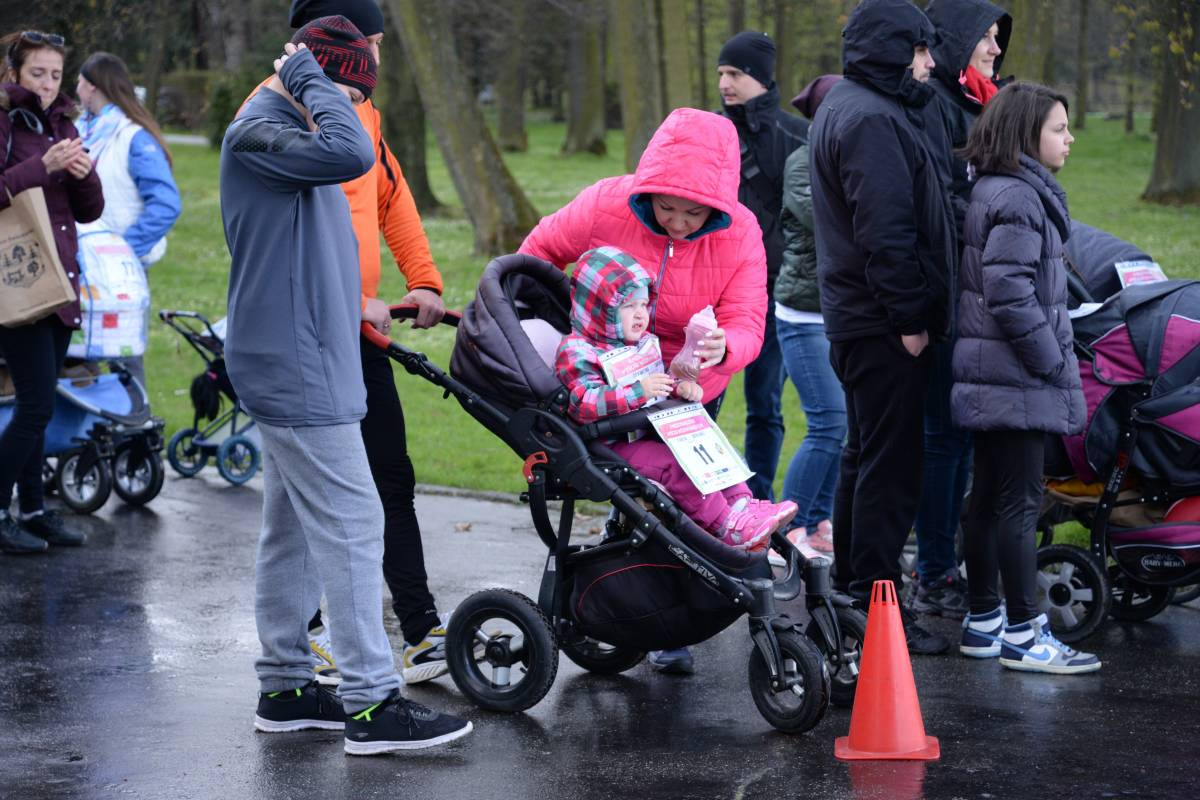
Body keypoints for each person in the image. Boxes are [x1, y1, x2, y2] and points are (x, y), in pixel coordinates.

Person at [220, 18, 472, 752]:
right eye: (349, 89)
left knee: (292, 530)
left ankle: (286, 686)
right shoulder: (263, 128)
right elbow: (349, 150)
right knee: (357, 523)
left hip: (311, 345)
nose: (358, 106)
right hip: (294, 362)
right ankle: (370, 703)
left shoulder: (291, 129)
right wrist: (312, 79)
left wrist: (362, 301)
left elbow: (313, 233)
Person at [520, 106, 768, 675]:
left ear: (719, 207)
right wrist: (570, 328)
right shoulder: (606, 202)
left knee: (684, 487)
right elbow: (536, 254)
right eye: (667, 208)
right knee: (647, 489)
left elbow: (748, 318)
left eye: (693, 212)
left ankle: (665, 608)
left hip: (688, 380)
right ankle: (642, 606)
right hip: (606, 373)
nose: (679, 223)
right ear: (645, 191)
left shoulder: (742, 234)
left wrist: (722, 348)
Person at [808, 0, 957, 654]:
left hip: (861, 318)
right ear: (892, 49)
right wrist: (911, 321)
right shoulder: (868, 116)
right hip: (883, 324)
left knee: (865, 454)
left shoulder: (861, 105)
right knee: (890, 465)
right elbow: (886, 232)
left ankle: (852, 591)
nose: (930, 62)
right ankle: (875, 605)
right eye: (920, 49)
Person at [953, 82, 1099, 674]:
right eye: (1060, 127)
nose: (1070, 138)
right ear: (1026, 134)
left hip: (995, 375)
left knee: (987, 499)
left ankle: (984, 619)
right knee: (1018, 503)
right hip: (1014, 376)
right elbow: (1010, 294)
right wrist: (1054, 362)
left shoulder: (999, 189)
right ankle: (1022, 631)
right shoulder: (1019, 198)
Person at [556, 246, 797, 551]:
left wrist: (677, 389)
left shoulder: (638, 345)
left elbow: (655, 384)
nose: (641, 314)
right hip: (607, 446)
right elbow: (582, 402)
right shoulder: (578, 351)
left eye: (644, 304)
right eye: (629, 306)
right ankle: (724, 523)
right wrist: (637, 392)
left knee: (705, 444)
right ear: (600, 307)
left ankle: (744, 509)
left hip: (644, 434)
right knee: (677, 465)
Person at [908, 0, 1013, 620]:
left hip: (981, 291)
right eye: (986, 38)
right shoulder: (936, 106)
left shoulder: (984, 100)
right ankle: (933, 570)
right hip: (949, 295)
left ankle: (952, 558)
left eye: (999, 39)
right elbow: (938, 202)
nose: (995, 49)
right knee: (944, 439)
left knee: (967, 438)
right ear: (955, 40)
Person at [0, 30, 103, 554]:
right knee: (37, 404)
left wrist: (84, 175)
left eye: (55, 75)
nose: (46, 84)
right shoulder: (4, 120)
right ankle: (2, 511)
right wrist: (44, 167)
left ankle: (35, 510)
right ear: (15, 72)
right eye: (36, 73)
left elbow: (89, 210)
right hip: (15, 282)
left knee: (37, 403)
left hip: (60, 282)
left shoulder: (64, 122)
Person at [716, 31, 808, 500]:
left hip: (773, 292)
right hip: (711, 290)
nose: (724, 83)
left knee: (765, 405)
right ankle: (697, 502)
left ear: (760, 76)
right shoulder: (711, 133)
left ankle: (757, 500)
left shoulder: (798, 136)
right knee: (698, 401)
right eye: (721, 74)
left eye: (734, 73)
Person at [76, 51, 182, 389]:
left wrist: (121, 252)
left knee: (123, 359)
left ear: (92, 88)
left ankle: (136, 428)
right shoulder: (82, 131)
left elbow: (166, 203)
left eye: (77, 82)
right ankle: (86, 432)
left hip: (118, 272)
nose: (74, 89)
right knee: (78, 356)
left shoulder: (132, 136)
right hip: (79, 264)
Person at [771, 74, 844, 560]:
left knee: (847, 427)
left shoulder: (844, 162)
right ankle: (784, 531)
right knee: (829, 423)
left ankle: (818, 523)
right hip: (803, 314)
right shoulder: (803, 164)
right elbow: (829, 226)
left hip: (841, 314)